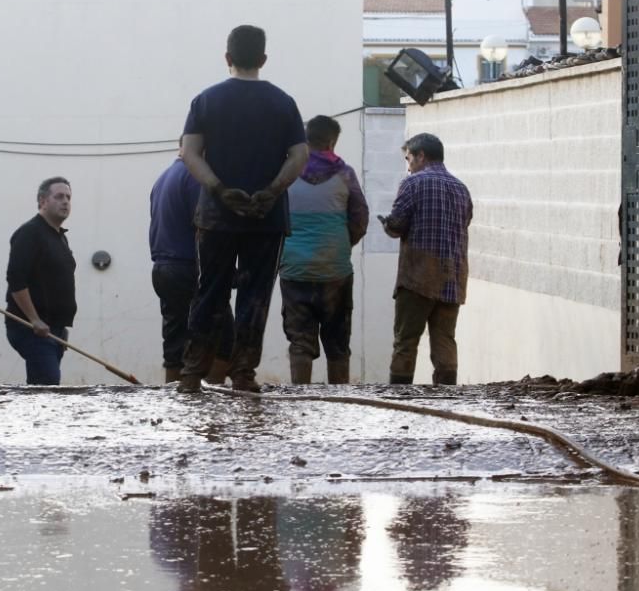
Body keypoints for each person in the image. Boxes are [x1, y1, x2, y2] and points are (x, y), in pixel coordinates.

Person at [178, 24, 309, 393]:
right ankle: (243, 374)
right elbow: (300, 155)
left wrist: (219, 189)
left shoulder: (205, 100)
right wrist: (271, 191)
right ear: (263, 59)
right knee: (256, 294)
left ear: (227, 58)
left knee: (210, 290)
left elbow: (189, 152)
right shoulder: (284, 103)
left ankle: (191, 373)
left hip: (217, 215)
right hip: (266, 219)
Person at [279, 115, 369, 385]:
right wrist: (341, 243)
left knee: (299, 341)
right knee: (338, 343)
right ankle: (339, 401)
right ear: (332, 141)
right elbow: (360, 217)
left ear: (305, 140)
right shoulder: (345, 174)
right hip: (335, 271)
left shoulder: (286, 173)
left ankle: (300, 396)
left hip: (294, 270)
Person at [380, 133, 472, 385]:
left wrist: (387, 225)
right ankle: (445, 398)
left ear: (421, 156)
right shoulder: (461, 188)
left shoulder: (412, 183)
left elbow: (397, 225)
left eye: (409, 158)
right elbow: (465, 223)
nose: (408, 165)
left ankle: (400, 398)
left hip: (417, 277)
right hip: (452, 278)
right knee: (445, 340)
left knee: (405, 341)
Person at [150, 143, 234, 384]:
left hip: (162, 268)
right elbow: (203, 225)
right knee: (226, 341)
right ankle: (210, 397)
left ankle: (174, 397)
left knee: (175, 341)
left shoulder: (163, 178)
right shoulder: (194, 177)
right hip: (189, 267)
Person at [5, 177, 76, 385]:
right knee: (46, 388)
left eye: (69, 197)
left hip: (54, 331)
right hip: (30, 328)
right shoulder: (29, 233)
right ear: (42, 201)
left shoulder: (60, 237)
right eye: (59, 196)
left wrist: (61, 328)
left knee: (47, 387)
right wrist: (34, 319)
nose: (65, 202)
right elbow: (16, 279)